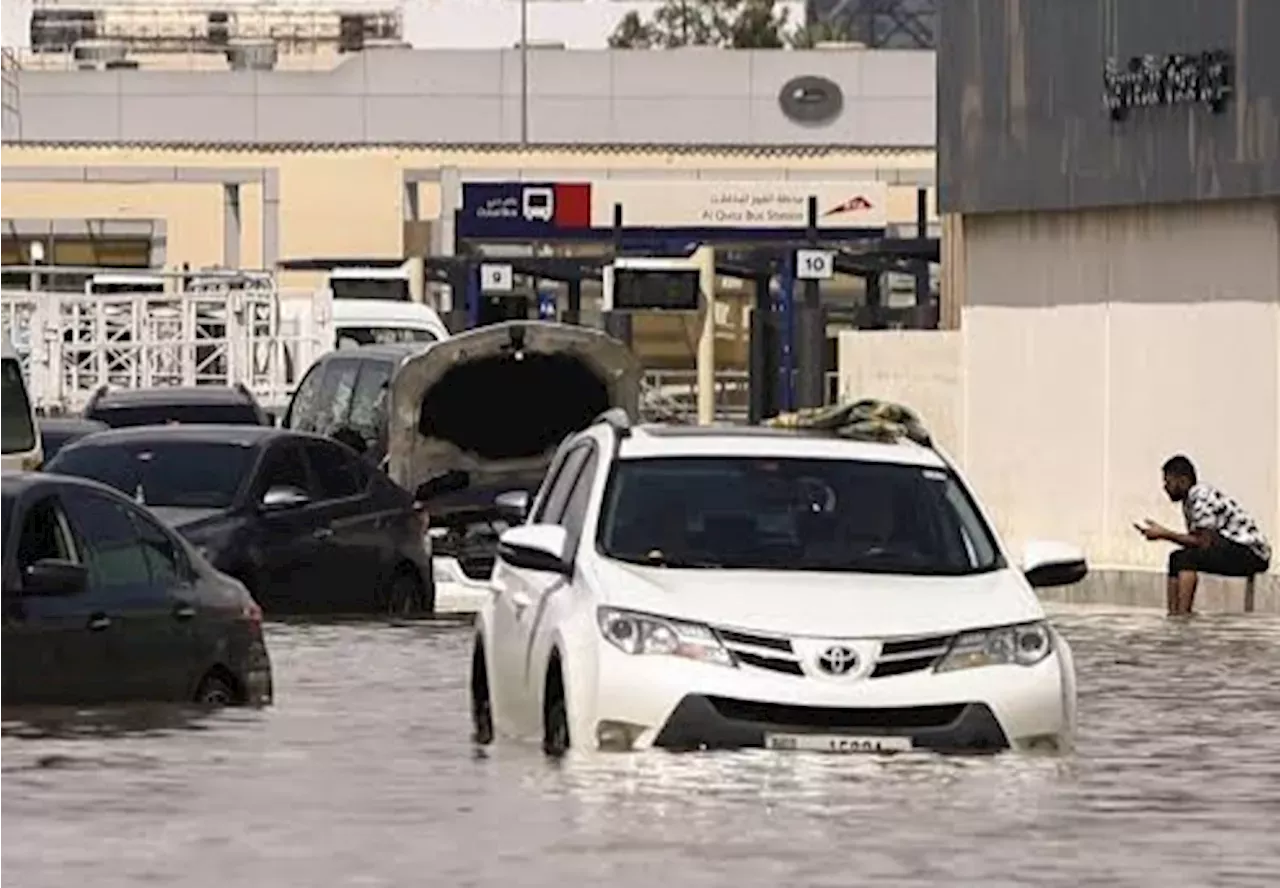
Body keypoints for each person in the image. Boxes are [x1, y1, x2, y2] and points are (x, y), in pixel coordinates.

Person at [1136, 455, 1271, 616]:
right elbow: (1198, 542)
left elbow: (1202, 542)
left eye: (1168, 481)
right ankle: (1174, 615)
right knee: (1176, 559)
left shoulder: (1200, 495)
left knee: (1186, 559)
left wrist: (1164, 534)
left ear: (1183, 480)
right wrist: (1164, 534)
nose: (1165, 487)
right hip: (1234, 549)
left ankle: (1183, 616)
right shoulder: (1190, 500)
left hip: (1252, 553)